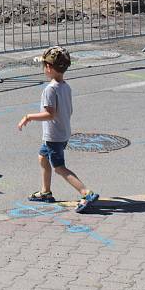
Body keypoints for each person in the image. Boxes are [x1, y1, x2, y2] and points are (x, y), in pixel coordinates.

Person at [17, 46, 99, 213]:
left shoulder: (50, 89)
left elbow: (49, 114)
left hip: (53, 136)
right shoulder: (65, 86)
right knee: (42, 158)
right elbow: (67, 110)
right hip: (62, 133)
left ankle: (86, 193)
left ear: (48, 67)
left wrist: (28, 117)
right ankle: (45, 192)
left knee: (59, 167)